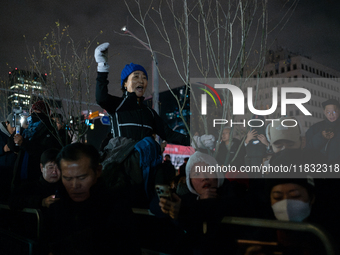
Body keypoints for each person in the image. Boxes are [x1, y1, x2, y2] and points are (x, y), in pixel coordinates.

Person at [95, 42, 190, 207]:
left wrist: (196, 140)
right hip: (121, 171)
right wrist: (102, 66)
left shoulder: (149, 113)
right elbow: (101, 97)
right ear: (125, 84)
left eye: (144, 77)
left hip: (145, 174)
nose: (142, 80)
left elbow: (169, 134)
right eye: (136, 76)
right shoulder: (117, 105)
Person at [46, 143, 140, 255]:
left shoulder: (116, 207)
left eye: (82, 177)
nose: (75, 185)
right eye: (67, 178)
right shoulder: (59, 205)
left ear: (98, 171)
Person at [158, 151, 243, 254]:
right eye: (197, 174)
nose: (204, 178)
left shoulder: (233, 191)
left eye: (209, 170)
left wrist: (185, 210)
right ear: (190, 181)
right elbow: (154, 205)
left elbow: (227, 205)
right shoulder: (187, 198)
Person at [11, 101, 62, 189]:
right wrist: (20, 129)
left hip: (35, 176)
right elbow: (11, 144)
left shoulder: (50, 129)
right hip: (21, 173)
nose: (34, 115)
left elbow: (44, 152)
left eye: (37, 112)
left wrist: (23, 143)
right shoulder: (27, 128)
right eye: (33, 112)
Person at [305, 99, 340, 163]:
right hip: (322, 168)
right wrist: (321, 137)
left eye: (334, 112)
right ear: (324, 112)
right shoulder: (315, 128)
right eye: (328, 112)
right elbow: (308, 149)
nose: (331, 115)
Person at [0, 113, 17, 202]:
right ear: (7, 123)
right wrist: (4, 149)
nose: (14, 129)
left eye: (16, 127)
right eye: (12, 127)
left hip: (12, 171)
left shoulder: (17, 133)